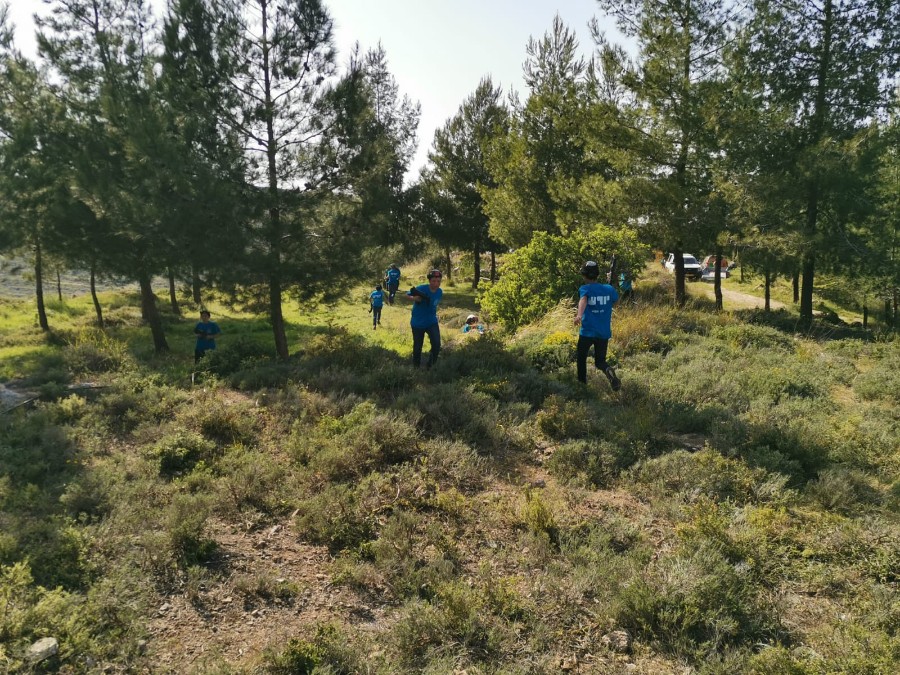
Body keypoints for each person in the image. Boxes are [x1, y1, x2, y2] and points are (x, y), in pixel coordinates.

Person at [574, 261, 621, 390]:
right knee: (600, 362)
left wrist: (579, 315)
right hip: (603, 332)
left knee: (581, 358)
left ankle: (582, 385)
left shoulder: (585, 289)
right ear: (597, 274)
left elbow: (583, 300)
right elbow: (616, 302)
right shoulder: (609, 289)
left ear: (584, 275)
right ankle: (607, 370)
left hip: (587, 332)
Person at [404, 269, 443, 368]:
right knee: (417, 347)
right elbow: (407, 294)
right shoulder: (421, 288)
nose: (436, 283)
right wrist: (415, 298)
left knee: (436, 344)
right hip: (418, 322)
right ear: (429, 281)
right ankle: (416, 367)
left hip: (431, 321)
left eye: (438, 281)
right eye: (434, 281)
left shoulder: (440, 292)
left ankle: (431, 366)